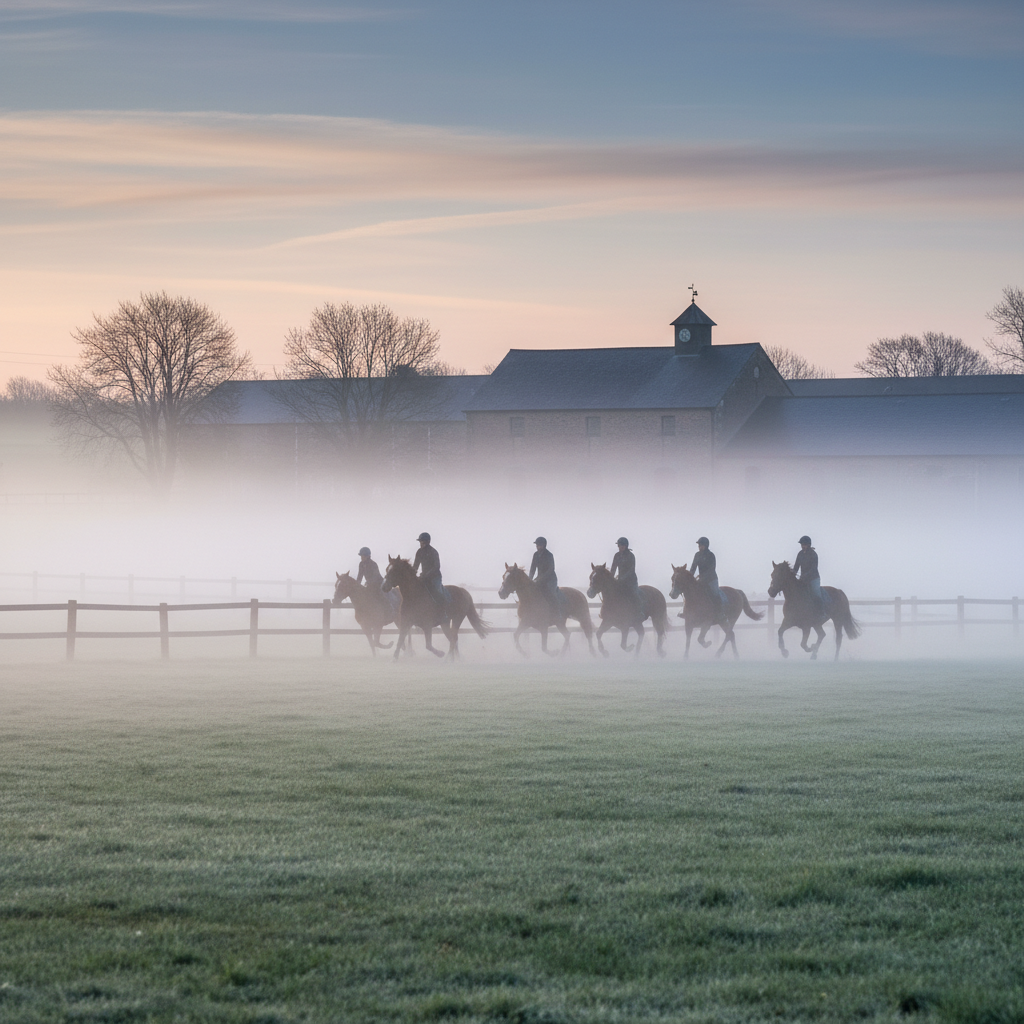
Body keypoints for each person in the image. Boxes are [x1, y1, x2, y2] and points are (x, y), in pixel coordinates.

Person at [412, 531, 447, 613]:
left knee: (438, 592)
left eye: (422, 541)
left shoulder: (433, 552)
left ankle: (443, 613)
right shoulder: (419, 552)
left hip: (435, 577)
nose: (421, 543)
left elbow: (437, 566)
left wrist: (427, 575)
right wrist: (412, 575)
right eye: (420, 541)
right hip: (423, 577)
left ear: (428, 541)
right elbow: (415, 566)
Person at [611, 536, 644, 618]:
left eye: (622, 546)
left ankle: (639, 612)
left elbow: (631, 570)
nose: (620, 547)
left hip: (631, 581)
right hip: (620, 581)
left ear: (626, 546)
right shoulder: (617, 555)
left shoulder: (631, 556)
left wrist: (622, 578)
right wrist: (610, 578)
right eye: (619, 546)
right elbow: (613, 568)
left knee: (634, 594)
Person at [528, 536, 562, 616]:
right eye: (537, 545)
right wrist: (529, 580)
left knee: (551, 593)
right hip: (540, 579)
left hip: (550, 579)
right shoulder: (535, 555)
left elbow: (551, 569)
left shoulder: (549, 555)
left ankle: (557, 612)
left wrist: (540, 579)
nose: (537, 547)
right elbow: (532, 568)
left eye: (539, 545)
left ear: (544, 545)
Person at [690, 537, 725, 610]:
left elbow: (711, 569)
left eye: (701, 545)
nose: (699, 547)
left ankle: (720, 613)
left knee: (715, 594)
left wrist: (702, 578)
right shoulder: (697, 555)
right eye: (699, 545)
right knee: (691, 593)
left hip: (711, 580)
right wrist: (689, 578)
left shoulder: (711, 555)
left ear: (706, 545)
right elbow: (693, 568)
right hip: (701, 580)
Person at [794, 535, 825, 616]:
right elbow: (796, 566)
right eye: (802, 544)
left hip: (813, 579)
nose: (802, 546)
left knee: (816, 593)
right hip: (803, 579)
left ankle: (821, 612)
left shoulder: (813, 554)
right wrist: (792, 574)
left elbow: (813, 569)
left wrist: (804, 576)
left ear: (808, 545)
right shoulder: (800, 554)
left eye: (804, 544)